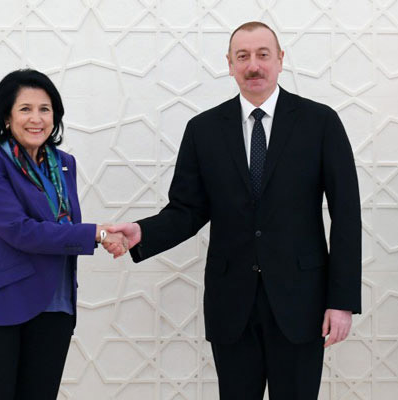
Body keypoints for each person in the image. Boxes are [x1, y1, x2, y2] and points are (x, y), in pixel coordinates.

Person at [105, 22, 361, 399]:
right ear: (229, 64)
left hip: (301, 301)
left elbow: (347, 215)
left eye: (262, 55)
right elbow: (187, 210)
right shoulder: (203, 130)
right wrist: (143, 232)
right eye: (243, 56)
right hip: (232, 302)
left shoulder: (320, 122)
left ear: (280, 60)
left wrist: (341, 302)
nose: (253, 65)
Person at [0, 69, 127, 399]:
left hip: (54, 307)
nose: (37, 118)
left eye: (45, 109)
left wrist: (103, 234)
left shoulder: (63, 163)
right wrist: (97, 234)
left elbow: (62, 225)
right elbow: (19, 230)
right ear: (7, 117)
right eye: (25, 109)